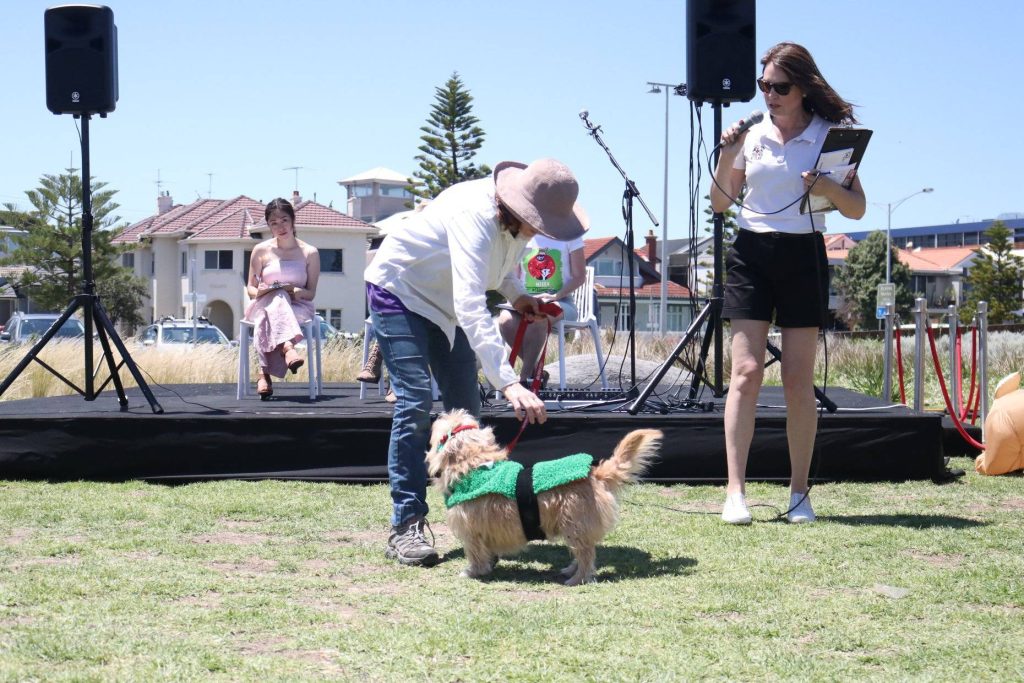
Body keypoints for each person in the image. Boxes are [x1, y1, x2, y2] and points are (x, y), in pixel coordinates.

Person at [364, 158, 588, 566]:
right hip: (399, 292)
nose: (542, 230)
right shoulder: (476, 215)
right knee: (414, 402)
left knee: (466, 408)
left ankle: (480, 521)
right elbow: (471, 304)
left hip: (444, 307)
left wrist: (520, 296)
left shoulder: (515, 221)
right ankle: (406, 525)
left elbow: (498, 270)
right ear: (520, 207)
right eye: (540, 221)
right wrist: (509, 382)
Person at [710, 42, 866, 525]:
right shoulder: (751, 133)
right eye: (763, 87)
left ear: (802, 88)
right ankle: (735, 492)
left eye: (779, 87)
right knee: (746, 372)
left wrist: (828, 188)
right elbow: (720, 204)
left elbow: (856, 208)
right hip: (751, 252)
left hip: (804, 255)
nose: (769, 95)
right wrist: (728, 152)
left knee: (799, 381)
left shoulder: (831, 135)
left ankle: (799, 493)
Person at [244, 198, 321, 400]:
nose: (280, 227)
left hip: (298, 305)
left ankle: (264, 374)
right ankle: (287, 347)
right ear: (268, 226)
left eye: (284, 220)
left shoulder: (310, 252)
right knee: (275, 298)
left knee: (272, 309)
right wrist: (262, 291)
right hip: (264, 302)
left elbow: (311, 292)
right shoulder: (260, 250)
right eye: (274, 223)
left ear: (293, 220)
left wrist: (296, 291)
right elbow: (250, 289)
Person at [496, 234, 586, 387]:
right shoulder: (523, 234)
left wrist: (554, 296)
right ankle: (536, 371)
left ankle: (524, 379)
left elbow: (579, 277)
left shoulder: (570, 236)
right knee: (505, 320)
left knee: (539, 318)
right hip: (524, 300)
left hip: (561, 301)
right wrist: (517, 299)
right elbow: (512, 276)